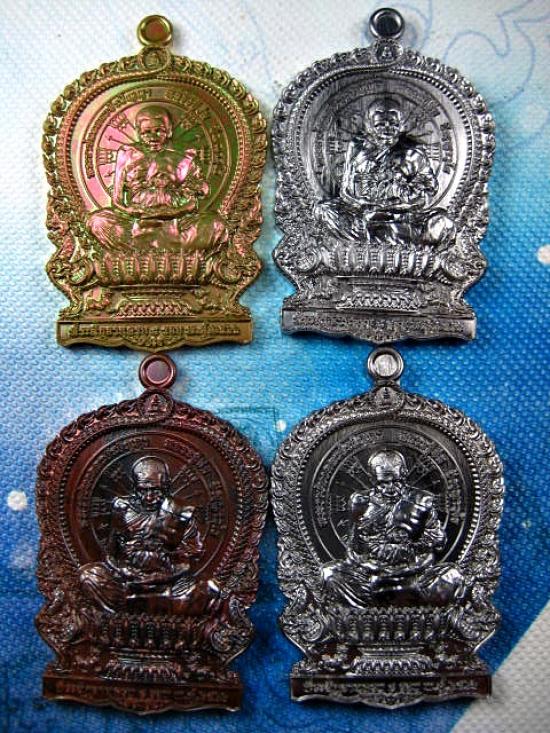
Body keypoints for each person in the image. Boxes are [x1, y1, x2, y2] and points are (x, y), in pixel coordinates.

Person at [322, 449, 464, 607]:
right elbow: (354, 547)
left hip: (415, 576)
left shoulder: (421, 500)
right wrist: (366, 555)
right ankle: (372, 610)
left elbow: (439, 542)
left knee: (452, 575)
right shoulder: (361, 502)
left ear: (404, 474)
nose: (390, 488)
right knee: (330, 573)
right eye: (383, 483)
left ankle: (389, 606)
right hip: (370, 577)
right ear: (372, 479)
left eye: (396, 481)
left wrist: (413, 534)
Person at [80, 456, 220, 614]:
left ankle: (144, 611)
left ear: (165, 486)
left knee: (209, 589)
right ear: (135, 487)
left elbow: (192, 556)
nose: (148, 496)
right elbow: (111, 553)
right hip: (127, 581)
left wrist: (162, 573)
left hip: (169, 582)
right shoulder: (123, 510)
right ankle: (118, 617)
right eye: (143, 490)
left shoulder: (180, 512)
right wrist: (123, 570)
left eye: (155, 490)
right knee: (89, 576)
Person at [314, 98, 456, 247]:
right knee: (324, 210)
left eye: (392, 124)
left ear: (401, 124)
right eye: (380, 124)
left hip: (401, 216)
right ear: (370, 125)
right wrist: (362, 204)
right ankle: (388, 242)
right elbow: (345, 191)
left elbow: (429, 190)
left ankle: (374, 241)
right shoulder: (357, 147)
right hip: (363, 215)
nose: (387, 128)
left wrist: (401, 198)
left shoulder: (413, 152)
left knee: (443, 222)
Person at [87, 105, 228, 253]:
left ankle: (142, 250)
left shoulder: (185, 156)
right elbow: (116, 201)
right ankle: (169, 250)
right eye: (146, 132)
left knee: (216, 224)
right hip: (137, 220)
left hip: (176, 220)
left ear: (169, 130)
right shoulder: (127, 154)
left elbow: (193, 202)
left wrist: (173, 212)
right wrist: (130, 210)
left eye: (159, 130)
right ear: (138, 132)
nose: (153, 137)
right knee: (97, 221)